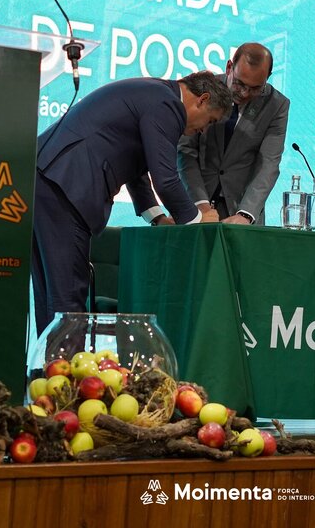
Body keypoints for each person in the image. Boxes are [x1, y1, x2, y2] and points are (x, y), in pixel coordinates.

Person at [31, 71, 232, 335]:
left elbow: (137, 167)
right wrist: (197, 221)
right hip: (66, 185)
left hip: (47, 180)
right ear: (202, 100)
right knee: (68, 303)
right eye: (210, 121)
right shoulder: (168, 104)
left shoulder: (156, 94)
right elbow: (166, 179)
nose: (204, 130)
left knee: (52, 301)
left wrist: (157, 218)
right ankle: (68, 364)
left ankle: (50, 362)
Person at [177, 43, 289, 225]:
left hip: (241, 211)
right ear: (229, 67)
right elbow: (185, 151)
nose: (244, 93)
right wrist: (200, 204)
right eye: (239, 83)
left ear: (267, 79)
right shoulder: (203, 89)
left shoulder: (277, 106)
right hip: (195, 206)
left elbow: (268, 163)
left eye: (255, 88)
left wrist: (246, 214)